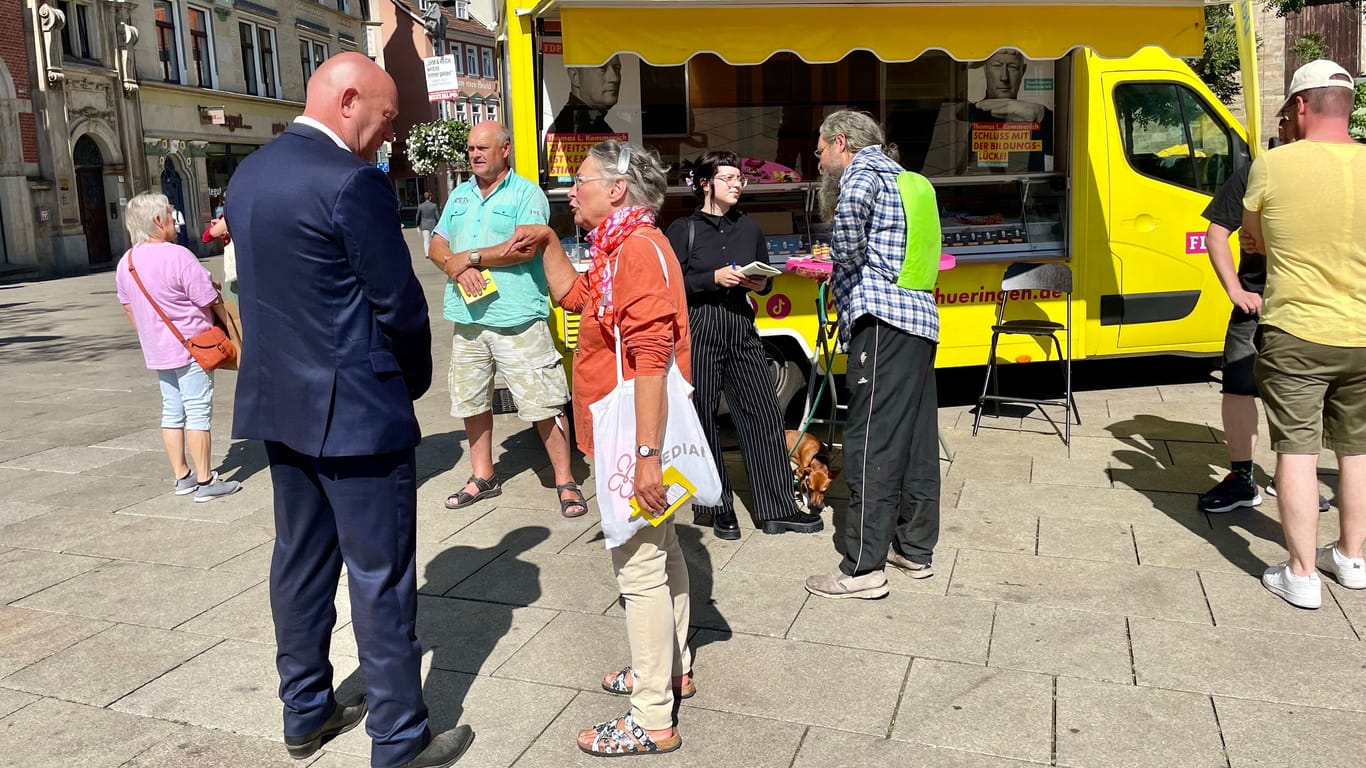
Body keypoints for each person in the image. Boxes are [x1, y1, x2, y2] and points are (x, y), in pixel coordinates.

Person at [225, 52, 474, 767]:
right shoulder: (351, 181)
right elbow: (397, 303)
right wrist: (413, 380)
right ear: (349, 99)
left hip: (281, 406)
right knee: (379, 575)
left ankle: (304, 711)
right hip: (358, 414)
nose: (387, 135)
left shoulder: (251, 174)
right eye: (387, 117)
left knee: (298, 563)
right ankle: (398, 741)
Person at [502, 141, 691, 757]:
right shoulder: (621, 246)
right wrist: (552, 247)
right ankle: (670, 669)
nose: (569, 190)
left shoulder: (634, 250)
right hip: (630, 430)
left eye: (580, 181)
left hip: (631, 435)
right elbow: (581, 303)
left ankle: (651, 717)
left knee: (638, 569)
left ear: (618, 190)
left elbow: (651, 359)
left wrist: (644, 457)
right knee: (662, 551)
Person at [1242, 59, 1366, 609]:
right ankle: (1351, 557)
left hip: (1296, 327)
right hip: (1362, 331)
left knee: (1295, 450)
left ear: (1298, 106)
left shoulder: (1273, 164)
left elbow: (1252, 237)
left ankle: (1300, 575)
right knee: (1357, 450)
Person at [804, 111, 942, 600]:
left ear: (841, 143)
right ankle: (915, 548)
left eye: (820, 151)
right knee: (918, 442)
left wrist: (834, 265)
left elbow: (846, 244)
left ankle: (863, 567)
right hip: (921, 320)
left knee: (869, 443)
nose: (820, 162)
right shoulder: (910, 179)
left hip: (881, 325)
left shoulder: (860, 173)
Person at [426, 121, 585, 519]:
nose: (475, 154)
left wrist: (473, 256)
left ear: (505, 149)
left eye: (483, 148)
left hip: (518, 319)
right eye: (470, 149)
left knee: (544, 402)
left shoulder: (526, 194)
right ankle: (483, 475)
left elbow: (524, 247)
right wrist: (456, 267)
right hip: (468, 319)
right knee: (472, 400)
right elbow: (436, 244)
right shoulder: (460, 195)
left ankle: (565, 480)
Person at [663, 149, 823, 539]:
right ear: (705, 183)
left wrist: (759, 283)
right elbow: (672, 284)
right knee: (701, 418)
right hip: (699, 325)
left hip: (741, 322)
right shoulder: (681, 229)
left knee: (764, 414)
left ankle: (777, 508)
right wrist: (712, 278)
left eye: (740, 179)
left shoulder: (749, 229)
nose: (737, 185)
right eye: (729, 178)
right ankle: (718, 507)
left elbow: (766, 281)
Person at [1197, 118, 1329, 515]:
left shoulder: (1335, 175)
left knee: (1302, 394)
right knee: (1237, 385)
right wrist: (1235, 290)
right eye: (1286, 123)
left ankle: (1295, 479)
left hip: (1312, 304)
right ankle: (1241, 476)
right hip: (1255, 301)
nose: (1288, 128)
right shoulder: (1256, 172)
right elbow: (1217, 233)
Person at [114, 192, 242, 503]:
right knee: (198, 410)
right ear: (157, 221)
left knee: (172, 410)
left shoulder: (127, 261)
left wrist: (151, 334)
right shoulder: (178, 256)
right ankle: (205, 480)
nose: (175, 222)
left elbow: (128, 306)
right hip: (193, 345)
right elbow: (208, 299)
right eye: (171, 217)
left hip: (158, 350)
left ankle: (182, 476)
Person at [965, 48, 1054, 172]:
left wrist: (1042, 115)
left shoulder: (1037, 117)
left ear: (1023, 71)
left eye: (1012, 67)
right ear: (985, 70)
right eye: (996, 66)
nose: (1004, 77)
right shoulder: (968, 115)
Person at [549, 55, 621, 135]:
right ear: (575, 76)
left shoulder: (596, 123)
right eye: (602, 68)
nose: (615, 78)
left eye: (617, 68)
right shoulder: (569, 129)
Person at [416, 191, 440, 256]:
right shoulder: (434, 206)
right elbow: (437, 216)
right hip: (433, 225)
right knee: (433, 241)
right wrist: (439, 224)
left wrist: (417, 225)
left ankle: (427, 254)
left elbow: (417, 216)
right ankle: (434, 253)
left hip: (424, 225)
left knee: (426, 240)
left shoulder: (420, 206)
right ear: (430, 197)